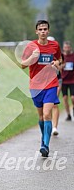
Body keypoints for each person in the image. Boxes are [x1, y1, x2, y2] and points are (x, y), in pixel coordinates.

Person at [21, 20, 62, 157]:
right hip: (36, 86)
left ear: (48, 31)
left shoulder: (54, 45)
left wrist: (56, 63)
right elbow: (22, 65)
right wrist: (32, 58)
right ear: (36, 31)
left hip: (51, 84)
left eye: (45, 29)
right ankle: (44, 137)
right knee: (40, 116)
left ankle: (45, 145)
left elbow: (59, 60)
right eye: (40, 29)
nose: (43, 31)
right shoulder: (31, 46)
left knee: (46, 114)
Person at [47, 36, 64, 136]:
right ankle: (48, 124)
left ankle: (55, 127)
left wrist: (56, 65)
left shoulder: (59, 55)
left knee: (54, 103)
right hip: (45, 82)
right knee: (47, 104)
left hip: (57, 80)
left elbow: (62, 68)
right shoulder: (42, 54)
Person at [61, 41, 74, 121]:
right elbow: (58, 66)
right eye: (65, 47)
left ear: (70, 48)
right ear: (63, 48)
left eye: (68, 47)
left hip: (72, 80)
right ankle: (68, 115)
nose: (67, 49)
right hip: (64, 81)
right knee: (65, 98)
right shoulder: (61, 56)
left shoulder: (73, 56)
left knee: (73, 98)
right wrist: (62, 66)